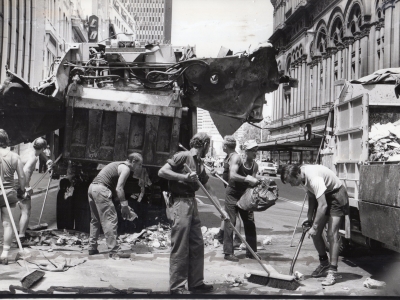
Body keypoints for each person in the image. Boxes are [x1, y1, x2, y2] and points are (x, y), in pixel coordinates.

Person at [158, 132, 222, 294]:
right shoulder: (183, 156)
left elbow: (208, 187)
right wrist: (185, 177)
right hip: (180, 202)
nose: (208, 149)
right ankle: (177, 286)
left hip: (191, 202)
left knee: (197, 244)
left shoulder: (199, 163)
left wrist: (221, 210)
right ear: (205, 144)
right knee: (180, 245)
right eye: (209, 146)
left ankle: (196, 282)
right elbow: (162, 172)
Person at [280, 164, 350, 286]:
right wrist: (309, 218)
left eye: (291, 181)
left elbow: (323, 206)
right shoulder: (302, 176)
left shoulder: (314, 178)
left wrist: (315, 226)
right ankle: (324, 264)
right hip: (324, 196)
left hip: (336, 195)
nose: (291, 185)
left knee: (331, 234)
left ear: (297, 175)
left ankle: (332, 272)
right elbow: (312, 195)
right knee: (314, 234)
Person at [87, 152, 142, 255]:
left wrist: (125, 206)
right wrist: (124, 205)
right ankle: (114, 250)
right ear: (133, 161)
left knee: (95, 220)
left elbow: (116, 191)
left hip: (92, 188)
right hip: (101, 189)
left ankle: (92, 247)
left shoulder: (118, 164)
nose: (140, 167)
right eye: (139, 165)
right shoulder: (126, 169)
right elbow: (119, 188)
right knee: (110, 219)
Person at [223, 140, 259, 262]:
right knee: (230, 221)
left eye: (256, 150)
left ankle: (251, 252)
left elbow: (252, 183)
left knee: (249, 222)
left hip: (244, 195)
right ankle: (228, 253)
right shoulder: (237, 159)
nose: (255, 153)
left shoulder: (255, 165)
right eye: (253, 150)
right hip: (232, 194)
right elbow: (232, 176)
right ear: (246, 151)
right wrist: (246, 179)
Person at [18, 137, 52, 243]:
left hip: (14, 181)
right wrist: (26, 187)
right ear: (43, 148)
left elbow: (40, 153)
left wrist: (48, 161)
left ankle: (21, 230)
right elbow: (26, 171)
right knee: (26, 211)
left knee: (23, 209)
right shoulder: (33, 158)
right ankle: (21, 237)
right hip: (21, 184)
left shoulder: (29, 151)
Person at [0, 129, 27, 264]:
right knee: (7, 223)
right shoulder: (14, 156)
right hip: (9, 192)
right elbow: (21, 176)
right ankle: (4, 254)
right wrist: (22, 190)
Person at [213, 135, 242, 249]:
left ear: (226, 146)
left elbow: (233, 174)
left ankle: (237, 239)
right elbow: (227, 172)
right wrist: (217, 172)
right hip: (230, 188)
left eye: (222, 145)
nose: (221, 147)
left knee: (235, 215)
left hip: (234, 189)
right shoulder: (228, 156)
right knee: (226, 212)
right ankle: (221, 234)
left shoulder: (234, 157)